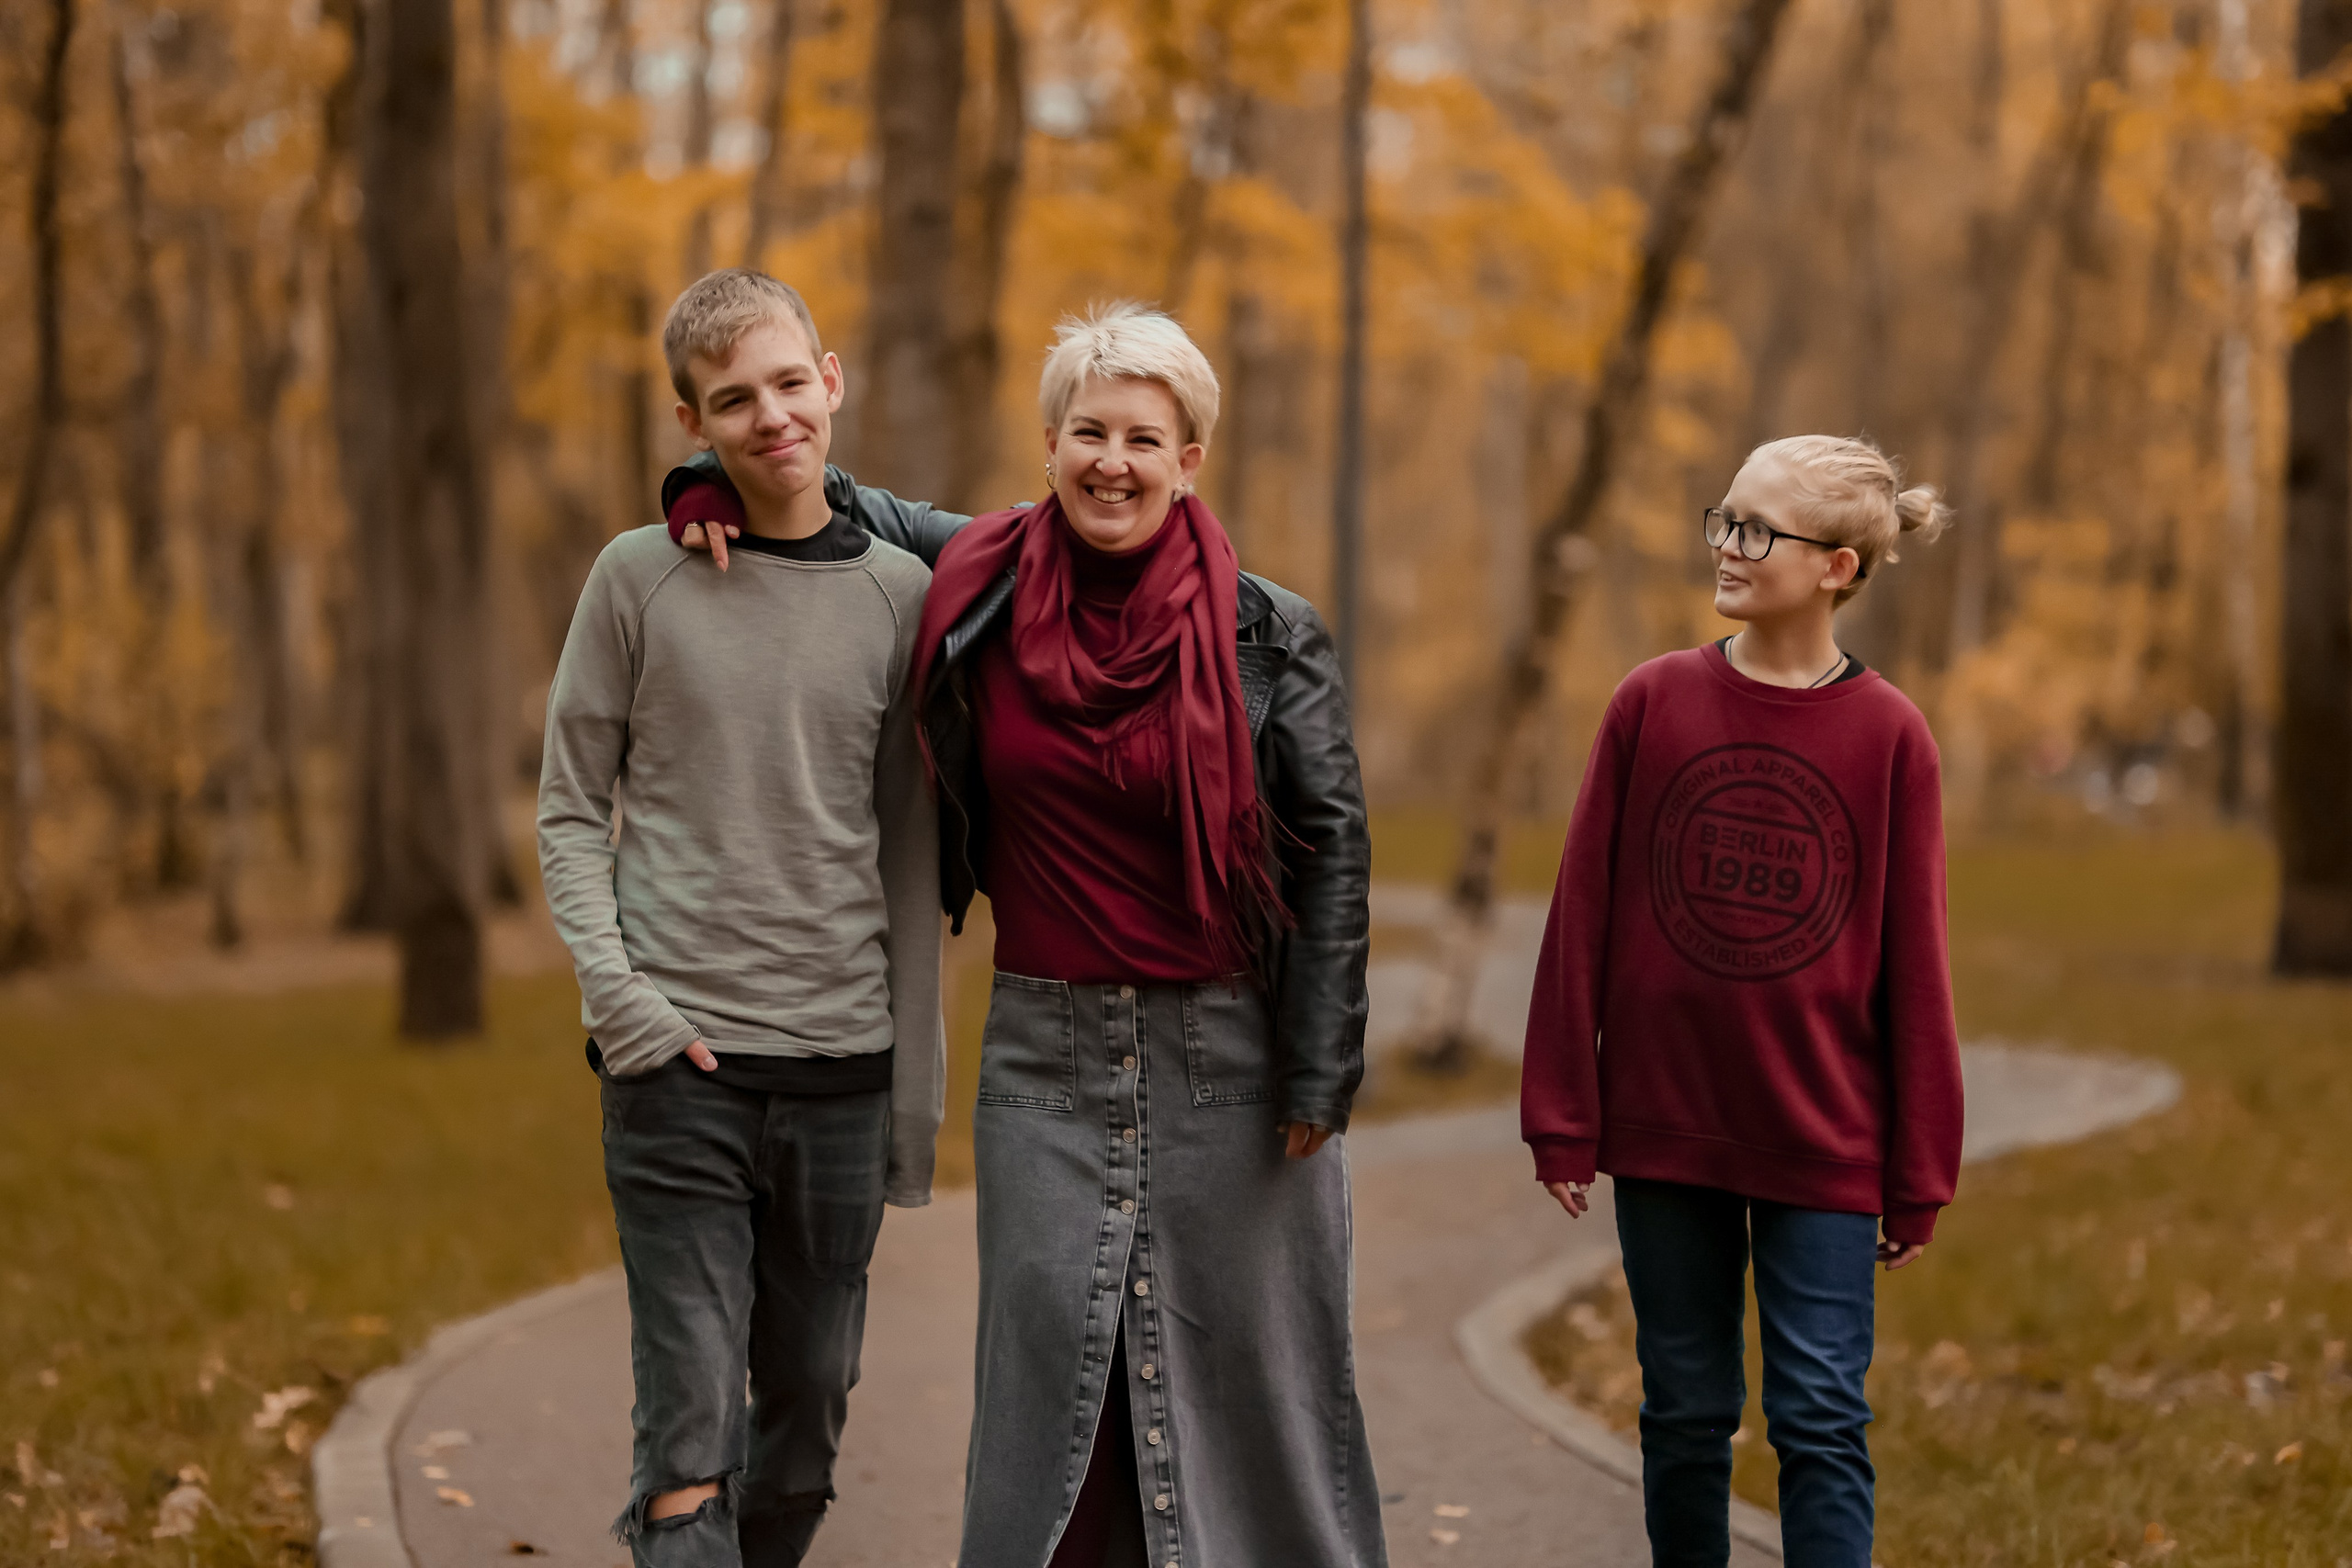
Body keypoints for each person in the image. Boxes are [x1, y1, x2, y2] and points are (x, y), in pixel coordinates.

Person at [666, 301, 1385, 1568]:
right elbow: (810, 481)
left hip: (1237, 1051)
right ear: (1051, 440)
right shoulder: (984, 570)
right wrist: (693, 484)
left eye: (1144, 438)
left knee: (1256, 1377)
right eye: (1090, 430)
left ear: (1188, 458)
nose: (1114, 459)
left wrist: (1321, 1062)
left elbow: (1331, 857)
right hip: (1043, 1055)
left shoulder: (1270, 629)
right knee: (1057, 1381)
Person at [536, 268, 943, 1568]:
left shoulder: (901, 594)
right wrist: (623, 1000)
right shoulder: (637, 578)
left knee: (809, 1412)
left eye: (786, 381)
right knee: (692, 1420)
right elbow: (565, 809)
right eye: (730, 400)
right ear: (688, 421)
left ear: (832, 380)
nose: (768, 415)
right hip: (677, 1072)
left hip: (841, 1068)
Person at [1519, 434, 1964, 1568]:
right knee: (1682, 1414)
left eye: (1757, 530)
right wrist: (1564, 1111)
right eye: (1723, 517)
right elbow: (1581, 918)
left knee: (1818, 1419)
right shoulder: (1650, 701)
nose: (1727, 544)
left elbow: (1915, 962)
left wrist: (1918, 1170)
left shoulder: (1891, 737)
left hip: (1821, 1136)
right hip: (1667, 1132)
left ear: (1837, 569)